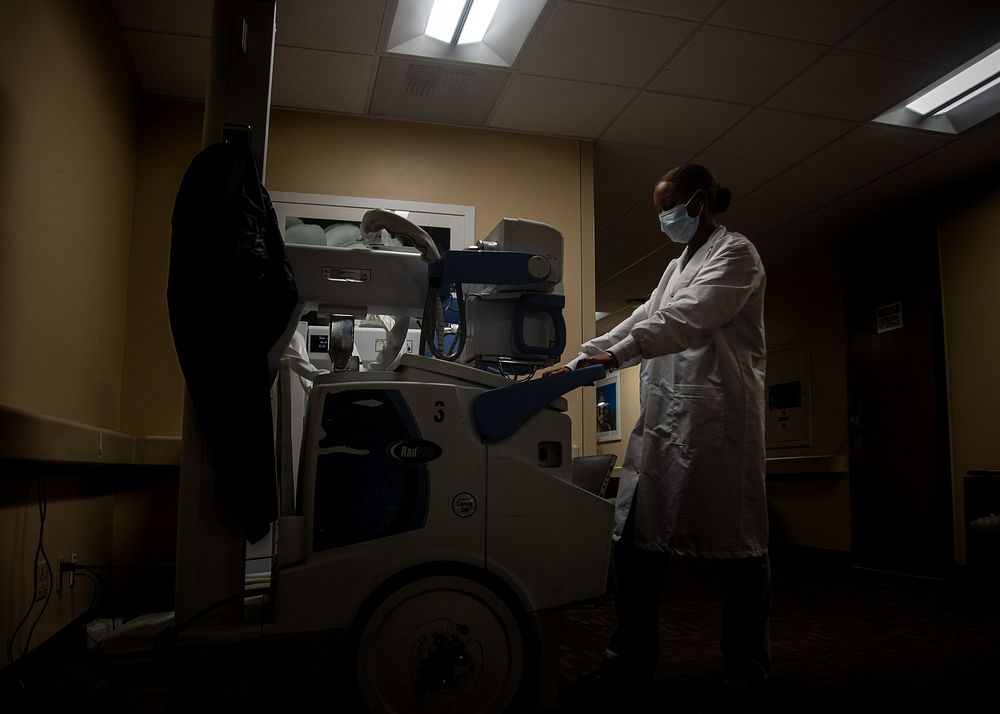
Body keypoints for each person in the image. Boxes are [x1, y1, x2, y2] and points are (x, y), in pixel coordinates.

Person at [548, 164, 770, 696]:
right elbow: (644, 314)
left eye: (669, 207)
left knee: (739, 552)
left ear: (698, 202)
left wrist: (612, 357)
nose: (664, 218)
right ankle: (628, 660)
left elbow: (688, 319)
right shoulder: (676, 266)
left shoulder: (736, 254)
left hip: (717, 425)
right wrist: (581, 356)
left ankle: (747, 669)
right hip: (664, 423)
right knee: (633, 541)